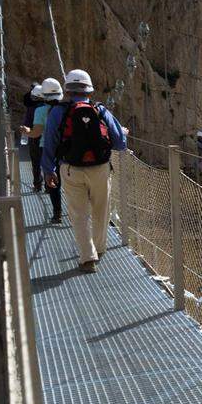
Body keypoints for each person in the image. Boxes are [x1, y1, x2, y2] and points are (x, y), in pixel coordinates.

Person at [42, 69, 127, 273]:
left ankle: (87, 258)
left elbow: (50, 143)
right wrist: (123, 134)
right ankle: (99, 248)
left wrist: (48, 170)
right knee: (101, 210)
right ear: (89, 90)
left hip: (71, 169)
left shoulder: (57, 112)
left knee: (78, 214)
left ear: (68, 90)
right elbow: (119, 143)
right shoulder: (100, 110)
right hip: (100, 169)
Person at [21, 78, 64, 222]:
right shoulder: (65, 108)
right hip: (65, 148)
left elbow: (36, 133)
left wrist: (27, 131)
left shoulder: (40, 111)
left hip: (47, 148)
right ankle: (74, 211)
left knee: (52, 181)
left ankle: (57, 213)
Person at [18, 82, 44, 191]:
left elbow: (27, 123)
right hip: (47, 137)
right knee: (48, 160)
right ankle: (50, 186)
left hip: (34, 136)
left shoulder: (31, 107)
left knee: (36, 162)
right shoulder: (47, 106)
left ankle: (37, 185)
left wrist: (25, 133)